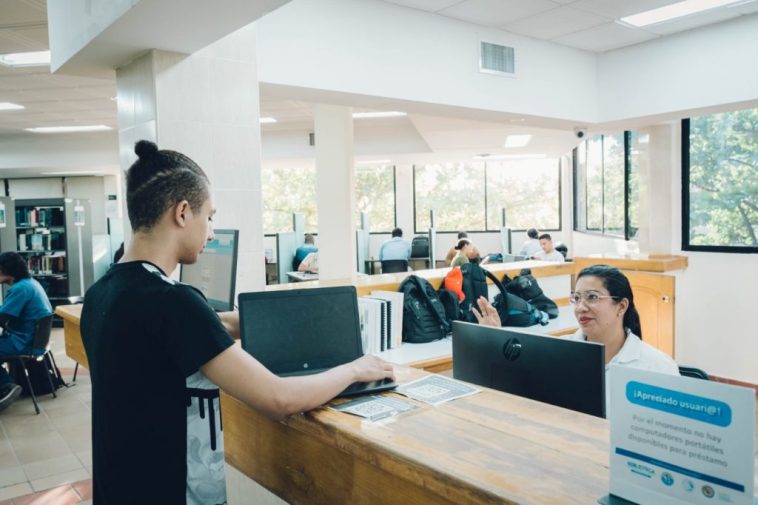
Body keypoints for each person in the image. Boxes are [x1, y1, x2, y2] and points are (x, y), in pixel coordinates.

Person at [80, 140, 394, 505]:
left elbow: (205, 328)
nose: (211, 232)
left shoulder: (104, 291)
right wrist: (356, 369)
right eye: (209, 216)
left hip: (119, 490)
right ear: (182, 213)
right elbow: (278, 399)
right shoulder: (173, 302)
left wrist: (294, 320)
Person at [472, 265, 679, 402]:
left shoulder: (659, 368)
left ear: (621, 306)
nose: (581, 307)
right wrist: (493, 338)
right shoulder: (557, 352)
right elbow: (518, 392)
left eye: (592, 297)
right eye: (577, 298)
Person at [0, 252, 54, 412]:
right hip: (35, 340)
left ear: (6, 270)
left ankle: (6, 386)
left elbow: (2, 318)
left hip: (24, 343)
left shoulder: (19, 289)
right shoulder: (31, 283)